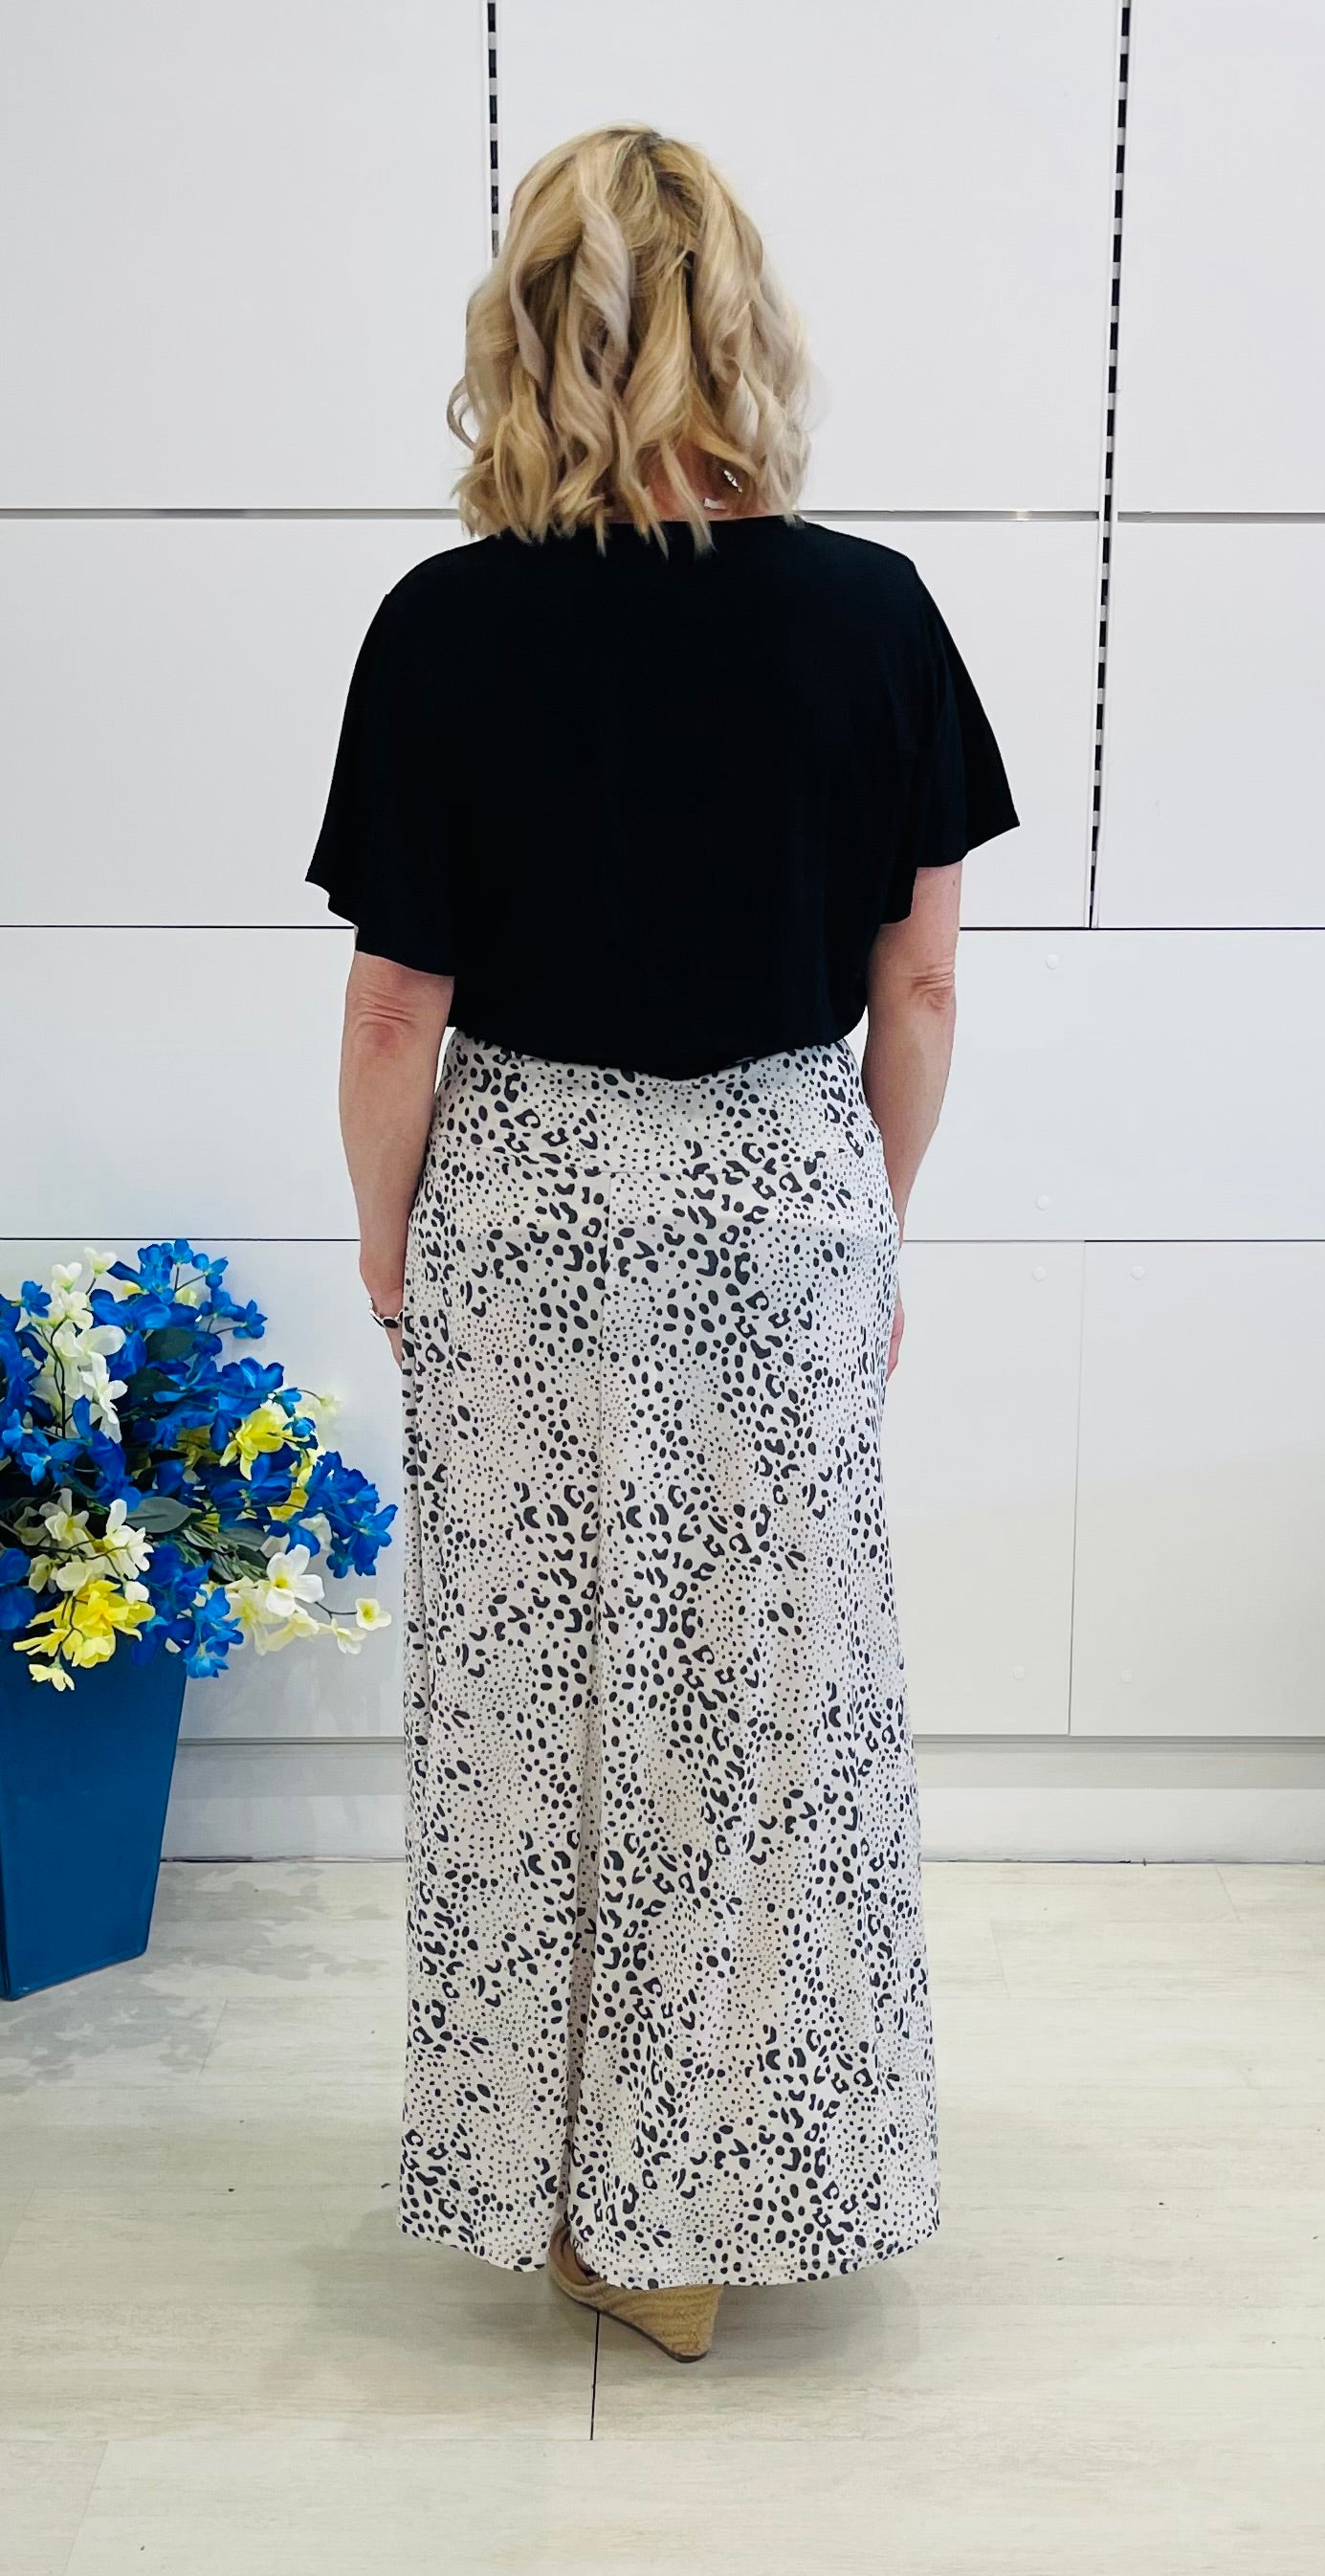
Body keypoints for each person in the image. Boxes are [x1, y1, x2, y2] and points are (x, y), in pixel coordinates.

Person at [315, 124, 1017, 2364]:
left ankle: (562, 2182)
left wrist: (387, 1236)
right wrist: (861, 1230)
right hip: (779, 1194)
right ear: (749, 325)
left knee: (538, 1710)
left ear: (522, 340)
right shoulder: (873, 613)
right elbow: (916, 992)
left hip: (522, 1201)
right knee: (763, 1706)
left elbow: (397, 1003)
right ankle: (708, 2198)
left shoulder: (443, 627)